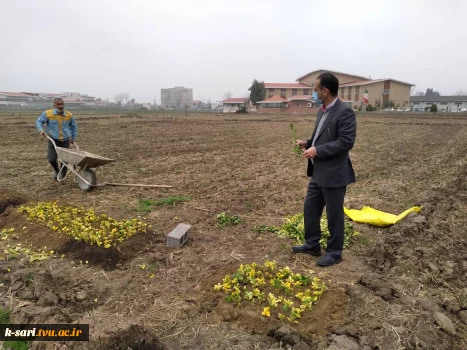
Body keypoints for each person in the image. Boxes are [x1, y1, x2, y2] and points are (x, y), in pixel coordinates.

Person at [293, 72, 357, 267]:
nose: (313, 93)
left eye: (315, 90)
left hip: (335, 174)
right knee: (310, 208)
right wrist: (308, 143)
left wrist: (317, 151)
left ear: (325, 90)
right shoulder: (322, 111)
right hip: (318, 173)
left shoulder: (344, 112)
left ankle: (335, 252)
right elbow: (322, 137)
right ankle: (312, 244)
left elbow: (346, 142)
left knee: (334, 215)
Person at [36, 98, 78, 181]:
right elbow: (39, 121)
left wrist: (73, 138)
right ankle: (56, 170)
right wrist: (41, 130)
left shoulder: (69, 115)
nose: (61, 106)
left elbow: (74, 127)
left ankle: (62, 175)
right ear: (54, 105)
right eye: (58, 104)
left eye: (62, 104)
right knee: (51, 159)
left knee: (64, 160)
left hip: (65, 140)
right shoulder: (48, 113)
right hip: (53, 139)